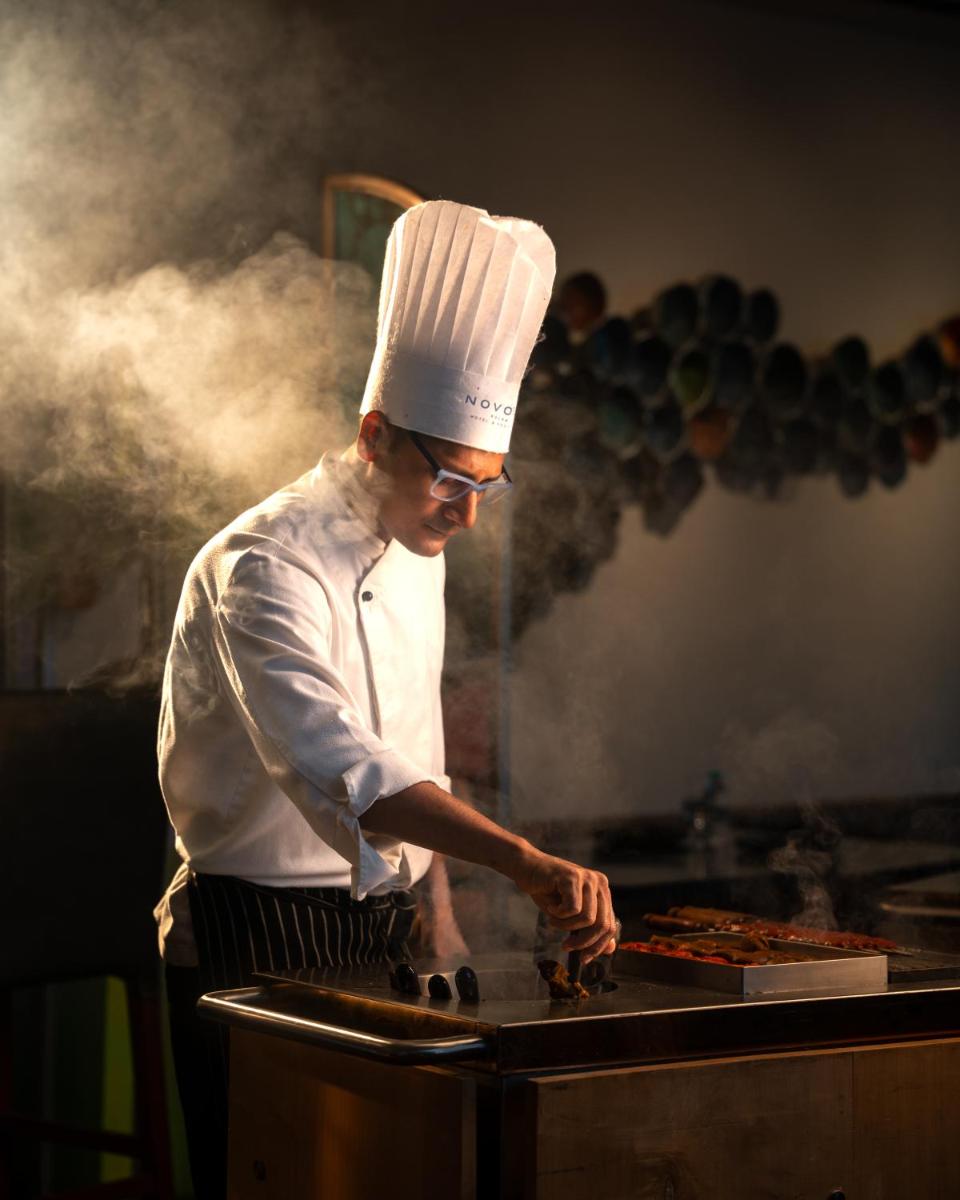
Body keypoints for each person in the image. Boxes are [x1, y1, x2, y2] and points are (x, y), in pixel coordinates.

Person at [155, 199, 619, 1200]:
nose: (468, 513)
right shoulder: (261, 565)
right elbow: (352, 770)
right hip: (254, 926)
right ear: (376, 433)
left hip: (385, 923)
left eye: (489, 488)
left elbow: (408, 742)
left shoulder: (422, 542)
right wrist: (524, 859)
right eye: (453, 478)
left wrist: (439, 910)